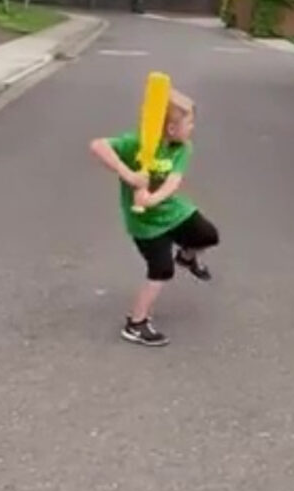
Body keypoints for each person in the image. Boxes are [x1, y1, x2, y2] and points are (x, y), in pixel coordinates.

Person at [90, 90, 219, 347]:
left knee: (207, 235)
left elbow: (173, 182)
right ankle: (136, 324)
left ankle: (187, 257)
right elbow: (98, 145)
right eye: (189, 123)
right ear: (171, 128)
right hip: (146, 225)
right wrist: (128, 174)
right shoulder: (137, 143)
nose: (192, 128)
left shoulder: (183, 148)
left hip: (172, 210)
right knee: (161, 270)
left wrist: (152, 199)